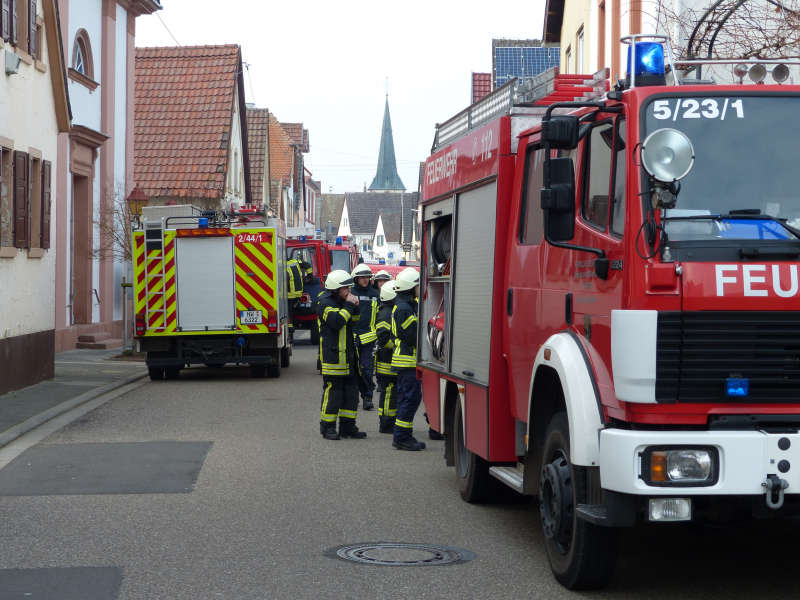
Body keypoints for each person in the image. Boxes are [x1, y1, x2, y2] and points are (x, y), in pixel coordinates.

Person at [317, 270, 367, 440]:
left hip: (349, 358)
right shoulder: (324, 303)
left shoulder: (345, 301)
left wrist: (356, 306)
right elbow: (337, 322)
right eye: (346, 288)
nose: (349, 291)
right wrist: (350, 305)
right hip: (333, 358)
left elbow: (354, 320)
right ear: (336, 289)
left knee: (351, 395)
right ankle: (328, 427)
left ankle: (348, 427)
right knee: (333, 395)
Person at [391, 267, 426, 451]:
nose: (420, 288)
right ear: (410, 288)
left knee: (408, 399)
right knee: (409, 400)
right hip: (406, 362)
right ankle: (402, 438)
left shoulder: (408, 305)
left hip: (407, 362)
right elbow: (413, 336)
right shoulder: (404, 308)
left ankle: (403, 435)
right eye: (418, 285)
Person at [350, 264, 379, 411]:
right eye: (362, 277)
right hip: (352, 337)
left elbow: (380, 316)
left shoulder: (375, 294)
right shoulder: (350, 293)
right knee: (353, 370)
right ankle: (355, 396)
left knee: (366, 369)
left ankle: (368, 397)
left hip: (369, 338)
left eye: (367, 277)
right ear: (356, 279)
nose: (365, 280)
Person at [375, 281, 398, 433]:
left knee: (389, 392)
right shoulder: (386, 313)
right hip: (386, 360)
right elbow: (383, 339)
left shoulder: (389, 310)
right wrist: (397, 346)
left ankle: (387, 421)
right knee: (389, 392)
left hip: (387, 359)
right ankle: (386, 423)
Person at [286, 256, 303, 342]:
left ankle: (290, 334)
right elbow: (306, 265)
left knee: (289, 314)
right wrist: (310, 275)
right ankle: (291, 333)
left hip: (289, 295)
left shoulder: (282, 265)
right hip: (297, 294)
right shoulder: (296, 262)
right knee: (291, 314)